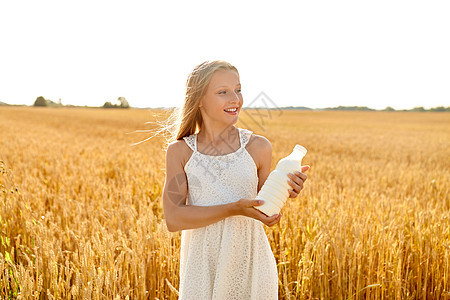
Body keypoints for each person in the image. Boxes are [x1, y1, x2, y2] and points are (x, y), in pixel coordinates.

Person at [162, 60, 309, 299]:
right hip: (203, 265)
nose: (235, 99)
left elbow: (265, 209)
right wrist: (234, 209)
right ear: (199, 99)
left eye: (238, 90)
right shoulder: (180, 152)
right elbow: (173, 219)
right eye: (223, 92)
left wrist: (286, 189)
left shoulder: (258, 146)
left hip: (251, 261)